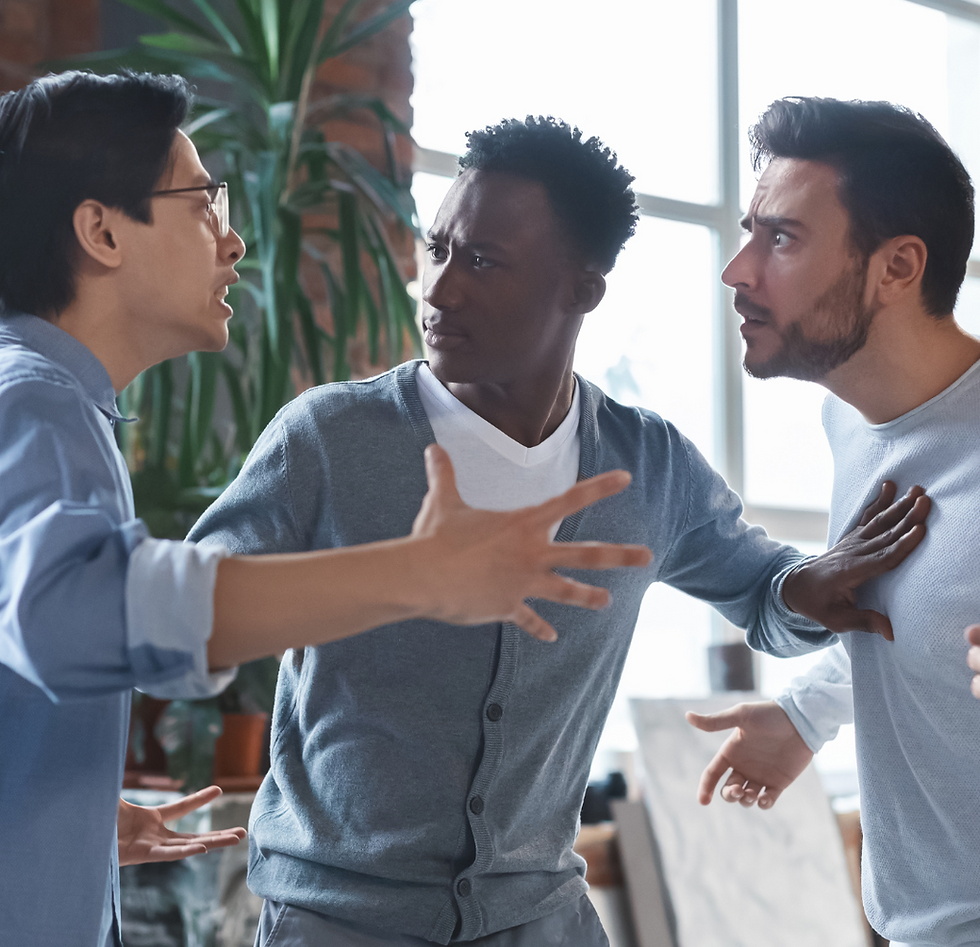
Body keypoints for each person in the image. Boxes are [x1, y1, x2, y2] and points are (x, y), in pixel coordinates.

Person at [187, 115, 928, 947]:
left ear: (582, 288)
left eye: (483, 261)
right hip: (337, 921)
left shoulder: (646, 463)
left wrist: (812, 586)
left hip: (540, 919)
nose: (439, 288)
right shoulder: (327, 440)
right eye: (437, 250)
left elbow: (763, 594)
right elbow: (183, 628)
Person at [0, 72, 655, 947]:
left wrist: (57, 814)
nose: (232, 242)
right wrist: (411, 574)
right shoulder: (37, 404)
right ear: (102, 230)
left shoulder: (50, 404)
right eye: (202, 203)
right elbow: (68, 613)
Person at [688, 96, 980, 947]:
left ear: (897, 268)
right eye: (750, 231)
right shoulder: (849, 422)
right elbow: (927, 608)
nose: (738, 269)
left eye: (781, 238)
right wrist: (809, 713)